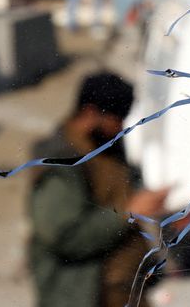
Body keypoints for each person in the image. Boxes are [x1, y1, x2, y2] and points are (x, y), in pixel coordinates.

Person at [29, 72, 167, 307]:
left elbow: (121, 189)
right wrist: (127, 213)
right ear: (91, 112)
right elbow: (65, 237)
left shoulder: (106, 144)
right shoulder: (60, 161)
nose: (120, 126)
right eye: (117, 118)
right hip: (82, 296)